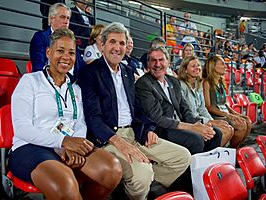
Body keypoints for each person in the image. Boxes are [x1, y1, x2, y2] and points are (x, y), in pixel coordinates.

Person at [78, 22, 191, 200]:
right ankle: (140, 186)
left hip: (134, 134)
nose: (117, 48)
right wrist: (119, 142)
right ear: (103, 45)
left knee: (182, 157)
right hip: (109, 139)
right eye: (113, 42)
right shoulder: (90, 72)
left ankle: (133, 189)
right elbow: (93, 117)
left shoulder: (127, 71)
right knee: (143, 174)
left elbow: (137, 110)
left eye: (122, 43)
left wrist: (148, 129)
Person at [10, 28, 122, 200]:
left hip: (68, 145)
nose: (66, 57)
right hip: (30, 147)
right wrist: (62, 142)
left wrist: (74, 146)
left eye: (71, 53)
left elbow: (80, 122)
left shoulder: (75, 88)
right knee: (66, 184)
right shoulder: (30, 81)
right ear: (48, 52)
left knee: (111, 169)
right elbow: (22, 129)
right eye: (60, 51)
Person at [135, 46, 222, 155]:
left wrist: (199, 125)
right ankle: (189, 172)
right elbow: (157, 118)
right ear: (148, 64)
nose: (157, 64)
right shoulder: (144, 84)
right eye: (153, 60)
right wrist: (191, 127)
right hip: (162, 129)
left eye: (161, 60)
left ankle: (206, 170)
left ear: (168, 62)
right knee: (196, 140)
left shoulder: (173, 81)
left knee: (215, 133)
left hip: (180, 125)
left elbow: (185, 110)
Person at [178, 56, 234, 146]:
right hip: (190, 122)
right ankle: (209, 156)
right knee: (225, 130)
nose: (197, 68)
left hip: (201, 119)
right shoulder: (181, 86)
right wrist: (210, 122)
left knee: (228, 128)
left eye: (198, 65)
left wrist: (212, 121)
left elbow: (202, 109)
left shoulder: (198, 84)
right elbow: (189, 115)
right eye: (193, 66)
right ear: (185, 70)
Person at [202, 55, 252, 148]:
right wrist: (228, 115)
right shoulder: (207, 83)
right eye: (222, 64)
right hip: (214, 115)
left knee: (247, 121)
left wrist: (235, 114)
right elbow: (208, 106)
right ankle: (232, 151)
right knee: (241, 126)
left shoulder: (220, 82)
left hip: (224, 113)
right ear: (213, 66)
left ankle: (237, 149)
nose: (225, 66)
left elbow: (223, 103)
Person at [30, 3, 85, 81]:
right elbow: (38, 67)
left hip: (73, 83)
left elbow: (81, 66)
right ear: (52, 18)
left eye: (68, 18)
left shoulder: (71, 41)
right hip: (47, 83)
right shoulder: (40, 37)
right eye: (62, 17)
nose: (66, 21)